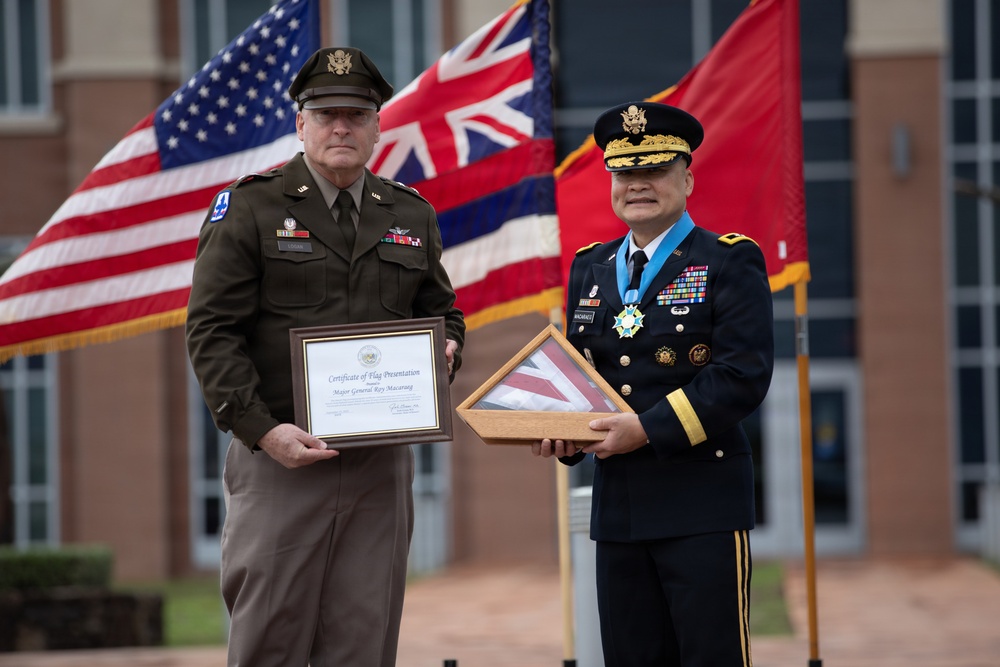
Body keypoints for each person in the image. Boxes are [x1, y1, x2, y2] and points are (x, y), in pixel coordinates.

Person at [186, 46, 465, 667]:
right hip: (280, 457)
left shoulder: (410, 213)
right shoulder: (252, 207)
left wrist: (447, 348)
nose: (342, 127)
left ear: (377, 126)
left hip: (379, 465)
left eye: (357, 115)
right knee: (271, 638)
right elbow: (211, 330)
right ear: (300, 124)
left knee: (363, 640)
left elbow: (443, 311)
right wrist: (262, 431)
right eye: (326, 114)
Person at [532, 101, 774, 666]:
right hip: (619, 510)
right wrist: (563, 435)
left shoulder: (729, 260)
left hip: (702, 506)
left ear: (687, 179)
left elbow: (741, 376)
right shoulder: (589, 267)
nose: (637, 184)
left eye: (656, 169)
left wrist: (645, 429)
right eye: (624, 173)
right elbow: (584, 380)